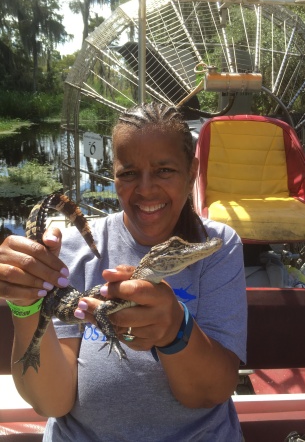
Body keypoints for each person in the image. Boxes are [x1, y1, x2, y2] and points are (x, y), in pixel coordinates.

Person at [0, 102, 247, 441]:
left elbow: (209, 392)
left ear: (192, 172)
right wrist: (25, 299)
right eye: (128, 173)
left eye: (164, 170)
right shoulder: (71, 250)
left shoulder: (218, 245)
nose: (146, 189)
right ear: (113, 174)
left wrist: (176, 329)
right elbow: (52, 401)